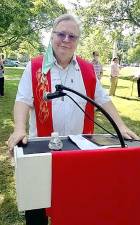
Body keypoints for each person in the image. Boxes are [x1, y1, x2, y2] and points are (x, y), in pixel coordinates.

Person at [8, 13, 139, 225]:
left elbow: (103, 99)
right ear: (52, 36)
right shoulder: (35, 67)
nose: (66, 40)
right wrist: (19, 128)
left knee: (76, 202)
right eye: (61, 34)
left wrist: (121, 126)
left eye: (72, 36)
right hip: (41, 148)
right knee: (37, 206)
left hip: (78, 152)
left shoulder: (87, 69)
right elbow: (23, 100)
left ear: (78, 41)